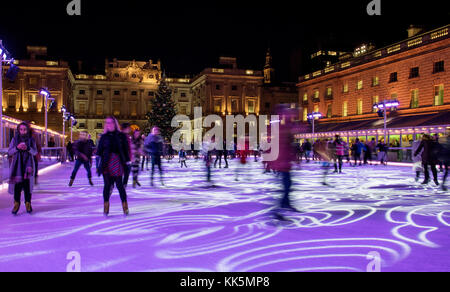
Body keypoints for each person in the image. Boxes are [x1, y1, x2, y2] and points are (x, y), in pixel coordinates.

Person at [96, 116, 131, 216]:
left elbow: (125, 150)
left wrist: (127, 163)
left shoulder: (121, 136)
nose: (109, 124)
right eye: (107, 122)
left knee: (119, 185)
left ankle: (125, 207)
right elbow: (99, 152)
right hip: (106, 162)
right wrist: (98, 165)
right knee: (107, 185)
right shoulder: (103, 136)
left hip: (118, 162)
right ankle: (106, 207)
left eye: (111, 122)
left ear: (115, 123)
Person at [271, 105, 301, 219]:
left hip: (285, 163)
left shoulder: (284, 128)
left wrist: (294, 160)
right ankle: (277, 210)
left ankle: (285, 204)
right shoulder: (280, 129)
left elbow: (289, 146)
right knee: (286, 187)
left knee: (288, 185)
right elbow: (281, 147)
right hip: (282, 163)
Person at [8, 122, 38, 215]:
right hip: (17, 167)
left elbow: (35, 152)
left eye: (24, 129)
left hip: (28, 167)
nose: (23, 131)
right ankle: (16, 204)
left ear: (27, 130)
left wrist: (27, 148)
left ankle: (28, 203)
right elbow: (10, 152)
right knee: (17, 186)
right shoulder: (14, 139)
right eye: (21, 129)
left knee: (27, 186)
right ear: (18, 130)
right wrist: (17, 148)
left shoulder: (31, 140)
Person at [121, 123, 133, 188]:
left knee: (126, 172)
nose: (130, 129)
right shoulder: (122, 136)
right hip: (124, 158)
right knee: (124, 172)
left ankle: (124, 184)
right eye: (129, 127)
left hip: (127, 158)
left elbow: (129, 148)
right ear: (125, 128)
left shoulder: (127, 136)